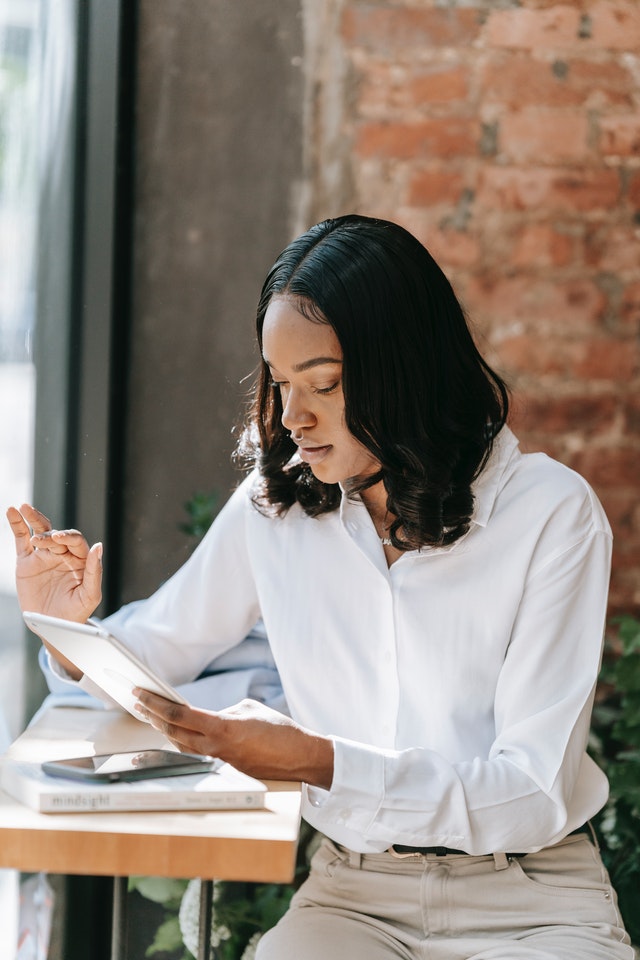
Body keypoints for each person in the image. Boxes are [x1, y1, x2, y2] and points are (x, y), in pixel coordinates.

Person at [8, 215, 632, 959]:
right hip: (354, 896)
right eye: (280, 383)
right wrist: (67, 632)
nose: (293, 417)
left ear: (406, 368)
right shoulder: (277, 511)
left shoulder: (551, 514)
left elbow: (530, 792)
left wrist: (320, 761)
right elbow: (158, 654)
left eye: (324, 384)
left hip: (533, 898)